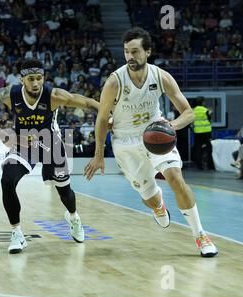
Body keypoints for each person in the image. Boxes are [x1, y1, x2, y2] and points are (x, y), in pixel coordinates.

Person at [84, 27, 218, 258]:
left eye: (135, 51)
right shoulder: (114, 82)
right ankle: (158, 205)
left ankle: (200, 234)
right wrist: (98, 154)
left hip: (155, 136)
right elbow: (102, 119)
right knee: (151, 198)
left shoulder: (161, 76)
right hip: (125, 143)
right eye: (126, 51)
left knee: (175, 178)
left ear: (148, 52)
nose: (130, 57)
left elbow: (188, 112)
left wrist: (171, 125)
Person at [0, 59, 99, 254]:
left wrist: (107, 116)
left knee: (64, 193)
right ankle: (16, 232)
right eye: (31, 79)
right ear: (22, 79)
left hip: (52, 145)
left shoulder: (54, 95)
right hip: (24, 145)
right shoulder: (10, 94)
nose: (35, 83)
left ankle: (74, 218)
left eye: (39, 78)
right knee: (7, 179)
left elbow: (86, 102)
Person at [192, 97, 215, 170]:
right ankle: (210, 165)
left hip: (197, 132)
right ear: (203, 102)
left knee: (198, 149)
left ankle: (199, 166)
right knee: (209, 149)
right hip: (206, 132)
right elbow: (210, 119)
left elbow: (191, 122)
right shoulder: (206, 110)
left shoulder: (193, 111)